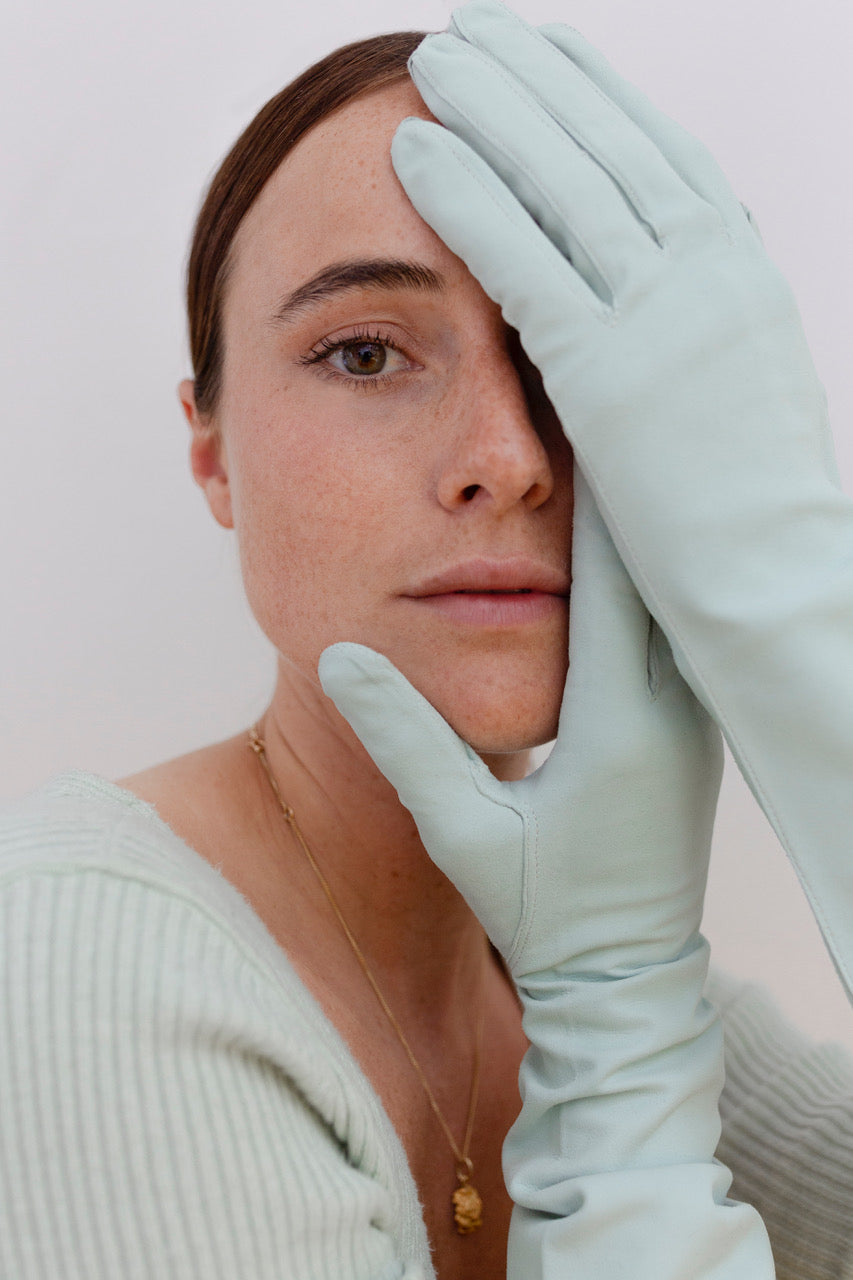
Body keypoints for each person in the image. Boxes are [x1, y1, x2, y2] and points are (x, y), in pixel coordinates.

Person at [2, 3, 853, 1277]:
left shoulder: (612, 979)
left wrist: (809, 624)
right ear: (211, 447)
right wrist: (618, 1039)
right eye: (364, 352)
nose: (508, 462)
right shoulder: (71, 958)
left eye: (569, 359)